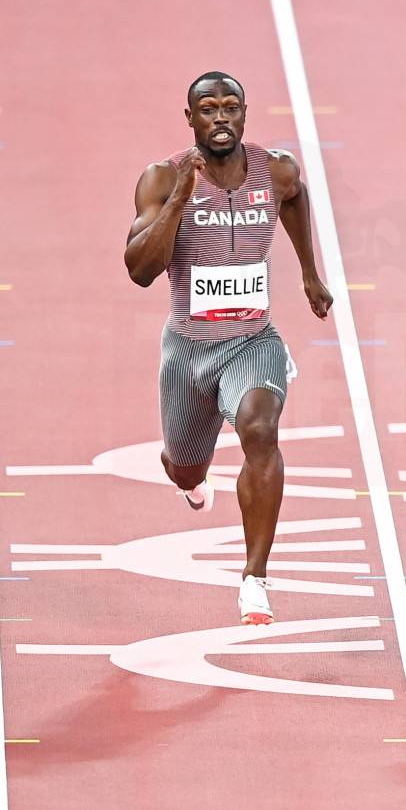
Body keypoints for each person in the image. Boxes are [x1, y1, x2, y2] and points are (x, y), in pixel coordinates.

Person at [124, 72, 333, 625]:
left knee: (260, 430)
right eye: (209, 108)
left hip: (252, 340)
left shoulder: (275, 169)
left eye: (231, 107)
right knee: (184, 469)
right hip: (189, 350)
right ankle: (189, 478)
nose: (221, 118)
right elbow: (140, 270)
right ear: (190, 118)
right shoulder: (162, 177)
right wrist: (179, 199)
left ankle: (254, 578)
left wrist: (309, 272)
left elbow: (295, 197)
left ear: (244, 113)